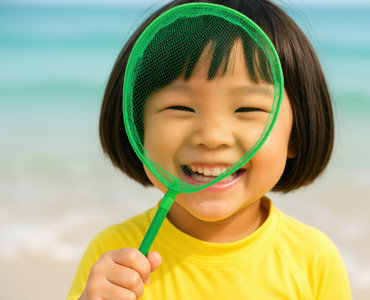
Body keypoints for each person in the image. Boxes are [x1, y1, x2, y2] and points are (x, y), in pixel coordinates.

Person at [68, 0, 352, 299]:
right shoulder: (115, 259)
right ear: (137, 127)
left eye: (248, 108)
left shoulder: (313, 261)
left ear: (295, 136)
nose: (213, 137)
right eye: (180, 107)